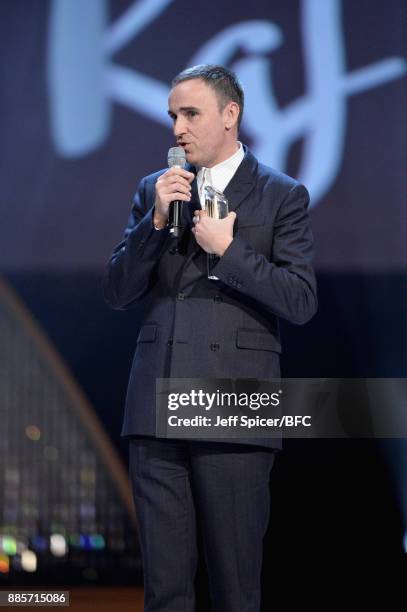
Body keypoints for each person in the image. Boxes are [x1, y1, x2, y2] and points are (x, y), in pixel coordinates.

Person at [103, 64, 317, 612]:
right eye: (172, 115)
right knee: (166, 590)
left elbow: (300, 300)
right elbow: (119, 293)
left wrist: (230, 250)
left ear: (230, 115)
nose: (177, 128)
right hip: (157, 406)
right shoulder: (155, 190)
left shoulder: (281, 195)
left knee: (235, 588)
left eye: (190, 114)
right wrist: (151, 226)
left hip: (234, 404)